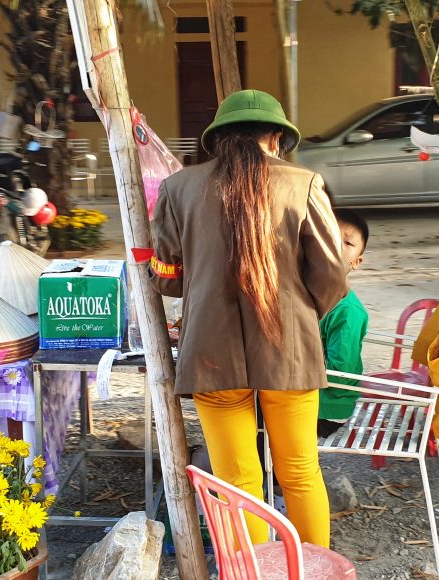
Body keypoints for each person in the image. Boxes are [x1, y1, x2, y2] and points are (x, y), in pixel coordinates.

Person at [149, 89, 348, 548]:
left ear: (218, 140)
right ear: (275, 138)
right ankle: (313, 570)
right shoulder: (304, 183)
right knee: (299, 472)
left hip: (210, 354)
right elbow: (333, 276)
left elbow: (167, 277)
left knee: (237, 479)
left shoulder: (178, 187)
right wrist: (299, 313)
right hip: (289, 352)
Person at [316, 209, 371, 438]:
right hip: (311, 396)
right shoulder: (314, 294)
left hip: (327, 407)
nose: (337, 246)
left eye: (347, 242)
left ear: (356, 262)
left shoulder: (347, 311)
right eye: (329, 236)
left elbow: (340, 374)